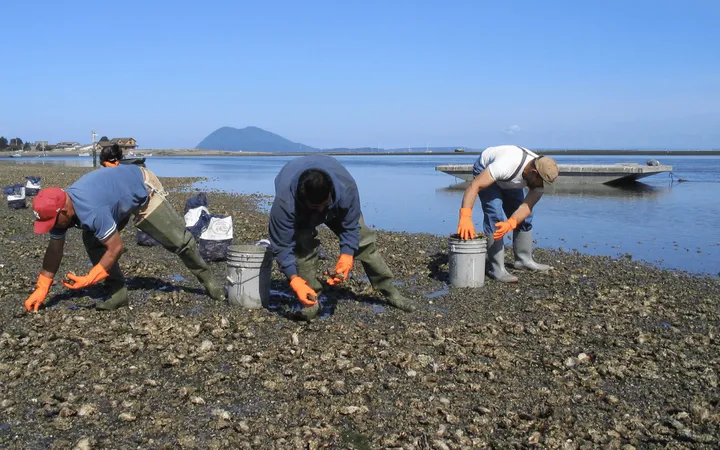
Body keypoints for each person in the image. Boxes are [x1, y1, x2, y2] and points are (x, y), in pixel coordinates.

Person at [24, 164, 225, 312]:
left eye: (52, 222)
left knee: (180, 242)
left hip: (141, 187)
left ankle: (210, 283)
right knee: (93, 239)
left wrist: (90, 277)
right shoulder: (61, 212)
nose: (51, 227)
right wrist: (42, 287)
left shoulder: (92, 211)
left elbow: (116, 248)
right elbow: (54, 249)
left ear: (65, 212)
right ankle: (118, 294)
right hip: (114, 198)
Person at [269, 155, 416, 318]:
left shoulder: (347, 188)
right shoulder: (285, 203)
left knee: (364, 241)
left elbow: (351, 226)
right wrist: (294, 279)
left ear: (331, 193)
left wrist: (347, 255)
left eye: (323, 205)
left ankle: (390, 291)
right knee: (302, 248)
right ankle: (311, 299)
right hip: (301, 210)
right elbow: (282, 246)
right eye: (315, 207)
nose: (319, 212)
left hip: (336, 207)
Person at [456, 145, 559, 283]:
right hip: (487, 169)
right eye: (541, 182)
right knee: (495, 216)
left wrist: (511, 222)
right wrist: (465, 217)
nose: (542, 185)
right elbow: (475, 186)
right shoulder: (506, 165)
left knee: (526, 218)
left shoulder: (538, 176)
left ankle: (523, 260)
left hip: (509, 180)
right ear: (534, 172)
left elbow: (526, 207)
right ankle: (496, 268)